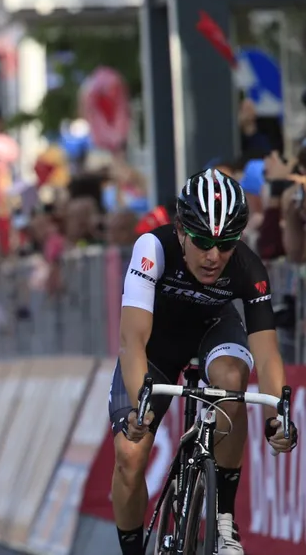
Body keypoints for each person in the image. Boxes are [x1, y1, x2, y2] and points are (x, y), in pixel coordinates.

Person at [109, 169, 299, 555]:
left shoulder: (247, 267)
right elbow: (132, 341)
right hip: (156, 346)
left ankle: (223, 521)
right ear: (181, 230)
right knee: (130, 454)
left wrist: (276, 418)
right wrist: (140, 405)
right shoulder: (152, 248)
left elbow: (266, 354)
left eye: (226, 244)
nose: (214, 257)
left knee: (232, 380)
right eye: (202, 242)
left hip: (214, 330)